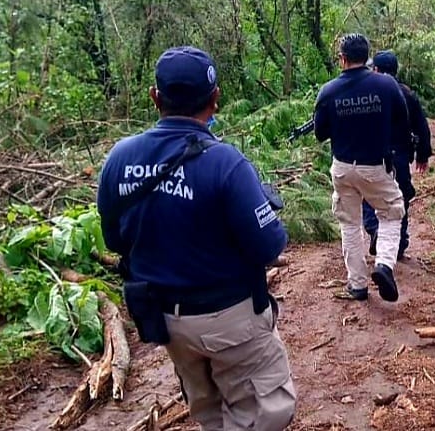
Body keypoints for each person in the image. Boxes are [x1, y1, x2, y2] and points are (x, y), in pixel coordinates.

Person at [97, 46, 295, 431]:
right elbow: (269, 245)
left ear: (155, 97)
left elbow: (115, 239)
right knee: (262, 412)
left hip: (167, 322)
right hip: (231, 320)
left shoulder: (119, 158)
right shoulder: (226, 163)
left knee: (208, 411)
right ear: (215, 98)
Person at [313, 33, 409, 302]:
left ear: (342, 59)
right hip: (376, 166)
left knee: (350, 224)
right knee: (391, 213)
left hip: (343, 167)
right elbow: (402, 121)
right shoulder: (387, 85)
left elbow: (320, 133)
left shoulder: (328, 91)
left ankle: (357, 285)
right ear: (367, 57)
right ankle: (384, 265)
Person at [362, 50, 432, 260]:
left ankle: (375, 230)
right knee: (400, 198)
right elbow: (422, 126)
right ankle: (399, 244)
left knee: (369, 197)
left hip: (372, 155)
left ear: (376, 69)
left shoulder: (367, 93)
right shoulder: (407, 94)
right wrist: (423, 155)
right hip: (400, 156)